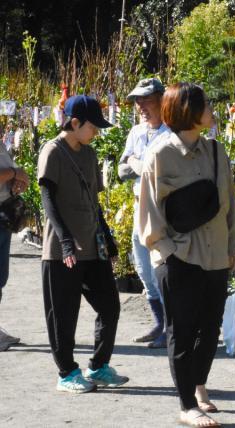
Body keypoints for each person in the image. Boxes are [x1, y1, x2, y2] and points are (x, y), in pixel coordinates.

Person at [138, 83, 235, 427]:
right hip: (178, 258)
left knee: (210, 329)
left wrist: (233, 246)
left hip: (215, 256)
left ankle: (198, 385)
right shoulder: (160, 154)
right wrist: (168, 254)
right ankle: (186, 404)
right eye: (206, 105)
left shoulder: (216, 151)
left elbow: (228, 205)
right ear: (188, 112)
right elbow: (149, 212)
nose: (212, 110)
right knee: (181, 331)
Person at [38, 95, 129, 393]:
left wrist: (108, 237)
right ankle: (66, 373)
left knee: (110, 306)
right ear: (74, 123)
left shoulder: (89, 155)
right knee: (63, 315)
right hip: (61, 252)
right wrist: (65, 241)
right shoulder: (52, 152)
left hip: (93, 247)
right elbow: (48, 200)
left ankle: (99, 366)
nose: (97, 132)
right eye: (93, 126)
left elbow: (94, 201)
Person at [118, 78, 171, 348]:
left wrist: (137, 165)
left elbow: (163, 174)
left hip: (162, 212)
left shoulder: (173, 133)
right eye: (137, 100)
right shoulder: (136, 132)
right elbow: (121, 169)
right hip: (140, 207)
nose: (140, 105)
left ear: (162, 99)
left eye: (146, 99)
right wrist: (139, 165)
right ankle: (159, 323)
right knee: (143, 270)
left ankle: (170, 329)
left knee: (160, 268)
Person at [0, 133, 29, 352]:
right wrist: (14, 173)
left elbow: (19, 175)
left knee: (1, 277)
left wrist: (19, 177)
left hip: (4, 215)